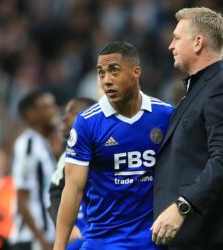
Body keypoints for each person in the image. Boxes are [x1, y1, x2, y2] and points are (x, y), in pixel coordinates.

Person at [151, 7, 223, 250]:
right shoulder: (199, 88)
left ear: (198, 42)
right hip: (200, 235)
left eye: (177, 38)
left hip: (220, 235)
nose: (171, 45)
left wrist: (182, 207)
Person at [54, 41, 174, 250]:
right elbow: (73, 189)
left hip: (154, 241)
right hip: (103, 241)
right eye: (101, 73)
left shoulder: (165, 116)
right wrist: (58, 247)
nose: (106, 80)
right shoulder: (87, 123)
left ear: (136, 72)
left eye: (114, 71)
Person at [9, 91, 58, 250]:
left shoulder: (43, 144)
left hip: (46, 237)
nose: (53, 112)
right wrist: (41, 241)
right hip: (31, 240)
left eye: (53, 106)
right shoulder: (27, 146)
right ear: (30, 115)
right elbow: (22, 199)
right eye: (45, 108)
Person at [48, 97, 96, 250]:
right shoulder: (68, 155)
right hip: (80, 236)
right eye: (66, 111)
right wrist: (65, 230)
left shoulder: (104, 145)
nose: (64, 117)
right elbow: (55, 192)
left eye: (73, 112)